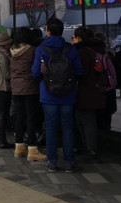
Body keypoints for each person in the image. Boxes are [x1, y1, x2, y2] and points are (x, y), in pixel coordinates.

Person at [32, 18, 83, 173]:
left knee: (50, 128)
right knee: (67, 128)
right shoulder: (70, 49)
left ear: (48, 31)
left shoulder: (41, 49)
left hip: (48, 95)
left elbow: (35, 73)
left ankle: (52, 162)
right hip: (68, 95)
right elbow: (79, 71)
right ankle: (69, 162)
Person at [72, 27, 107, 160]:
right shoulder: (99, 49)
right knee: (87, 120)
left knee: (87, 121)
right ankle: (89, 148)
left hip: (86, 92)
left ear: (79, 38)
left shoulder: (83, 52)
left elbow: (80, 72)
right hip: (97, 90)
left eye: (74, 37)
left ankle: (90, 150)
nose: (73, 40)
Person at [10, 27, 45, 161]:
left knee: (19, 117)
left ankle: (19, 147)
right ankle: (32, 149)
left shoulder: (12, 50)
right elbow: (36, 69)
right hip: (29, 88)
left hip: (16, 88)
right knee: (31, 118)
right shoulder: (32, 50)